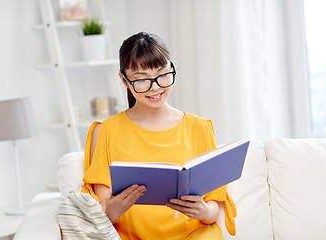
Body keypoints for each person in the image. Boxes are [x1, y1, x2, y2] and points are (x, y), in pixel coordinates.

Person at [81, 32, 237, 239]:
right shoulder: (106, 131)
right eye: (141, 80)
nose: (155, 87)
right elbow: (103, 211)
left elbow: (212, 212)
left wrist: (202, 210)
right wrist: (114, 210)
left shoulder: (200, 128)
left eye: (163, 74)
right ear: (124, 80)